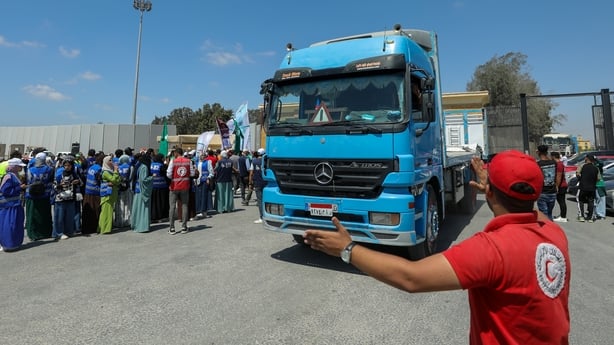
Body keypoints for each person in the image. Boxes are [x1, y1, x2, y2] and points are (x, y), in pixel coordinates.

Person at [303, 150, 570, 344]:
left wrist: (347, 249)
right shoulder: (555, 235)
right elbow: (532, 209)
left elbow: (411, 277)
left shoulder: (492, 250)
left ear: (489, 192)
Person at [25, 152, 54, 241]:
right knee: (44, 215)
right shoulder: (49, 169)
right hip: (44, 196)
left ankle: (32, 234)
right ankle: (46, 233)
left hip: (31, 196)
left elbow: (28, 180)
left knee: (32, 215)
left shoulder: (30, 170)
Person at [0, 158, 27, 251]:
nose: (20, 168)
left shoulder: (15, 175)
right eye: (19, 166)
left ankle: (15, 243)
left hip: (15, 204)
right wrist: (19, 188)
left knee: (16, 224)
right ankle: (8, 244)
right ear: (14, 167)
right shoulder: (8, 176)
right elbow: (5, 190)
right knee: (9, 225)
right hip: (9, 205)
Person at [52, 157, 82, 240]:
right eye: (65, 165)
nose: (67, 167)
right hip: (60, 198)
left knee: (69, 216)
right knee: (59, 217)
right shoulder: (59, 175)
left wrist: (77, 182)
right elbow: (54, 185)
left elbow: (81, 183)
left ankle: (68, 231)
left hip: (71, 198)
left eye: (69, 165)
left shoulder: (74, 174)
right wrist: (60, 185)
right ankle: (59, 233)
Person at [166, 147, 194, 234]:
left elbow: (169, 174)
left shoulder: (173, 161)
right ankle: (184, 227)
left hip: (174, 187)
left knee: (172, 206)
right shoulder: (188, 161)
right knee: (185, 205)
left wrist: (175, 177)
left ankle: (172, 228)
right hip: (185, 186)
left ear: (176, 153)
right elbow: (192, 173)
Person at [98, 155, 120, 234]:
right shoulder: (106, 172)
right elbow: (114, 179)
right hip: (106, 194)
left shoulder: (111, 170)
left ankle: (103, 227)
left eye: (112, 160)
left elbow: (118, 181)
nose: (112, 162)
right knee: (106, 211)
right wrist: (116, 172)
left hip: (112, 193)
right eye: (110, 161)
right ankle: (105, 228)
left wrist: (115, 176)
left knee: (109, 211)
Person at [131, 154, 153, 233]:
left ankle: (136, 225)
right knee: (143, 209)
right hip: (142, 191)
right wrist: (152, 177)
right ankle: (142, 226)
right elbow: (144, 180)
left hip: (138, 190)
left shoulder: (139, 166)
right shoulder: (144, 167)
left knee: (138, 209)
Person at [82, 151, 103, 234]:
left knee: (87, 211)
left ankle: (86, 228)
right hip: (95, 192)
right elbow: (99, 181)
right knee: (95, 210)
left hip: (88, 191)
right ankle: (93, 227)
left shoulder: (92, 167)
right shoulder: (99, 169)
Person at [536, 145, 557, 220]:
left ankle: (547, 230)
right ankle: (551, 228)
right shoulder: (553, 163)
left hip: (542, 192)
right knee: (549, 213)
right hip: (552, 192)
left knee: (544, 215)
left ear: (538, 152)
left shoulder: (538, 164)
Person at [113, 154, 134, 229]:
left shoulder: (118, 167)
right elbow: (131, 178)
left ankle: (119, 221)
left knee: (119, 204)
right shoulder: (130, 167)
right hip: (127, 187)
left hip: (119, 188)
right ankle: (127, 221)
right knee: (127, 204)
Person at [577, 154, 599, 222]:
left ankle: (581, 216)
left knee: (580, 200)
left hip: (583, 187)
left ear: (586, 159)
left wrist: (581, 178)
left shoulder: (582, 166)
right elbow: (598, 178)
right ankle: (590, 217)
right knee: (591, 201)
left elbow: (578, 174)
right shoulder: (596, 168)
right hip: (592, 187)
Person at [150, 153, 170, 223]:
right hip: (162, 186)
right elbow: (167, 176)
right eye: (163, 158)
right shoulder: (162, 166)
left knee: (154, 203)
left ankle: (153, 217)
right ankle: (162, 216)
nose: (164, 159)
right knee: (161, 203)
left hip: (153, 186)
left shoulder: (151, 165)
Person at [249, 148, 266, 224]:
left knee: (260, 200)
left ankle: (262, 217)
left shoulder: (254, 161)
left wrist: (250, 183)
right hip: (266, 182)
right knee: (266, 200)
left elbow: (251, 173)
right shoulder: (266, 161)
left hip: (257, 182)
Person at [551, 152, 569, 222]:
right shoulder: (560, 164)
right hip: (562, 185)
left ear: (553, 157)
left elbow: (559, 176)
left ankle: (563, 217)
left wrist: (557, 186)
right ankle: (562, 215)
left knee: (561, 201)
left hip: (561, 185)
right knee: (561, 201)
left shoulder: (559, 164)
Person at [195, 152, 214, 218]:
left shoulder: (208, 162)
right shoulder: (197, 162)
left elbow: (211, 172)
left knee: (204, 196)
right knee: (198, 196)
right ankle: (199, 210)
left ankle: (204, 211)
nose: (202, 156)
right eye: (201, 155)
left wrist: (208, 178)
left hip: (205, 180)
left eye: (203, 155)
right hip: (198, 181)